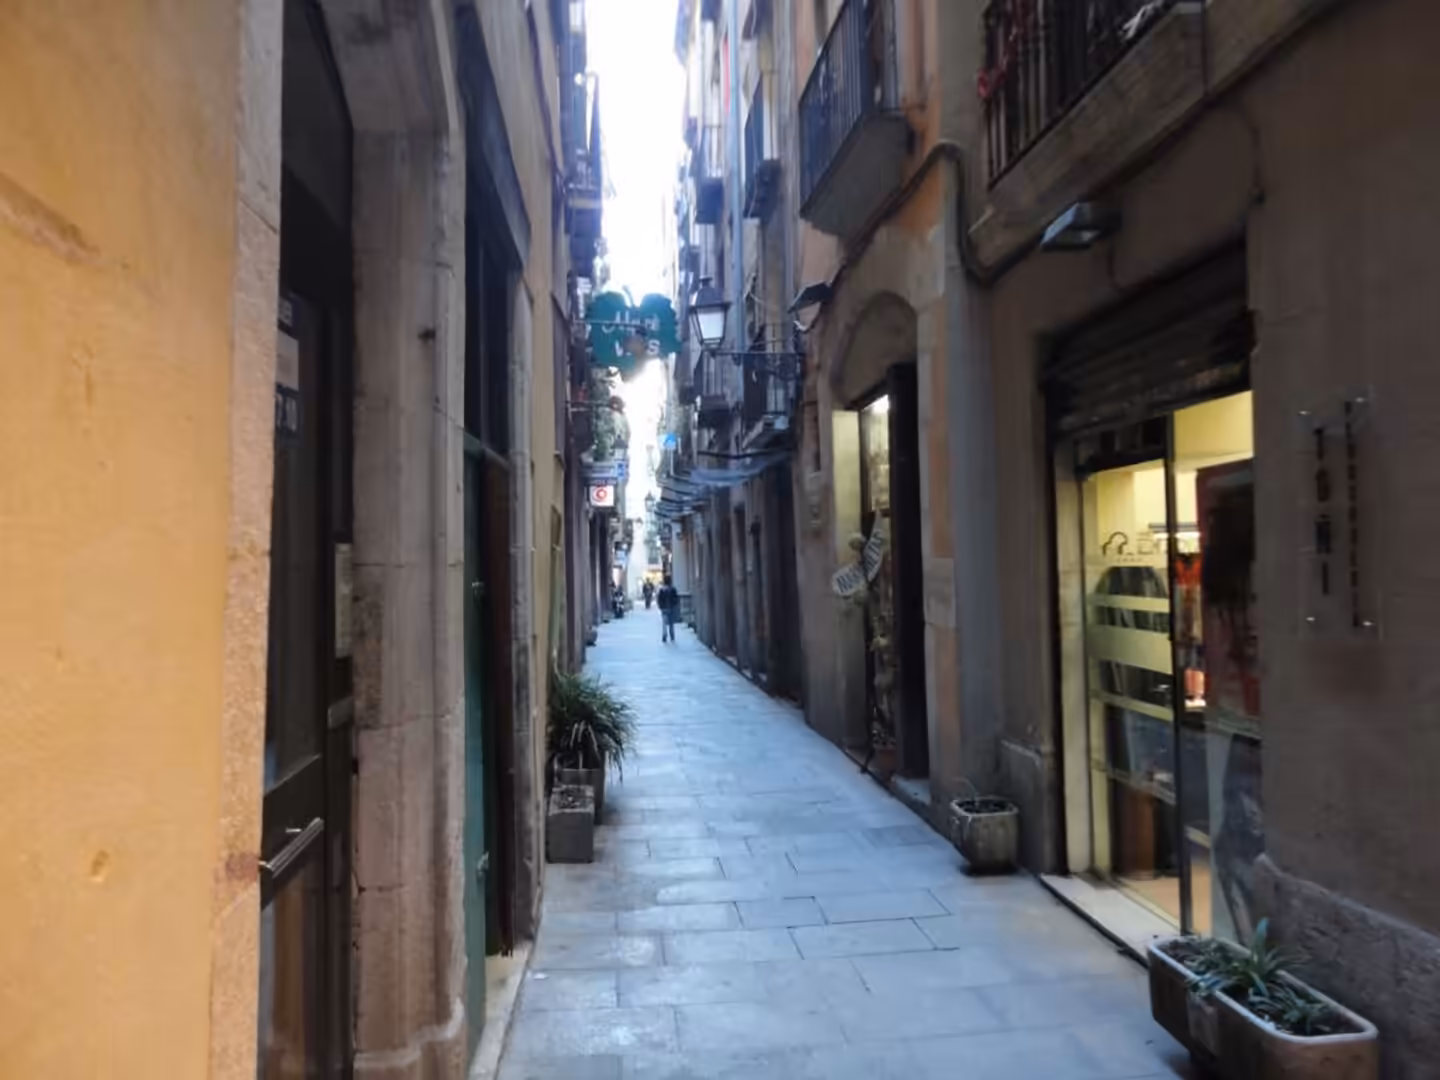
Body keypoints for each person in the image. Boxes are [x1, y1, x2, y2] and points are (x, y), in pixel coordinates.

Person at [656, 574, 679, 643]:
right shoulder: (673, 589)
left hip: (664, 608)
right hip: (671, 608)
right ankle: (672, 636)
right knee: (671, 623)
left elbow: (659, 599)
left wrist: (660, 606)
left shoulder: (662, 590)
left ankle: (664, 635)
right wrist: (674, 605)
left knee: (664, 623)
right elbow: (676, 598)